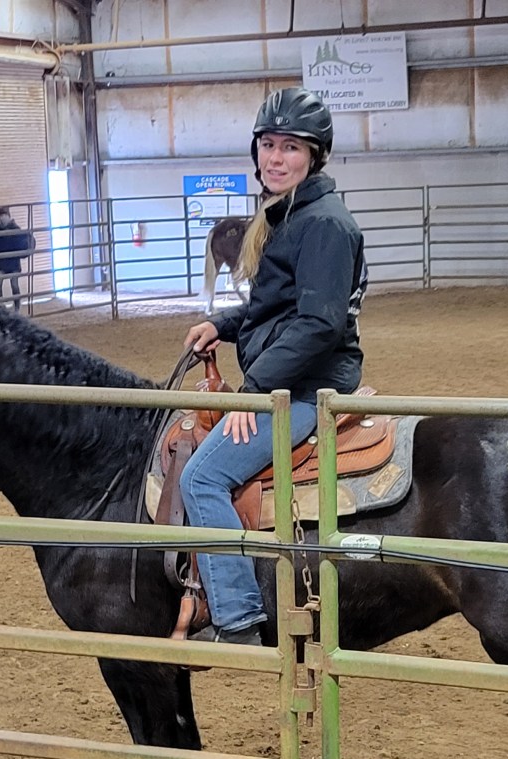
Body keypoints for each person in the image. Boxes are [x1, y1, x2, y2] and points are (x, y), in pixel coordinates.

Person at [179, 87, 367, 646]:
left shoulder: (324, 225)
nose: (274, 158)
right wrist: (224, 324)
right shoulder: (288, 216)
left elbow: (318, 325)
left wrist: (254, 390)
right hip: (289, 378)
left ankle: (237, 619)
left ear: (314, 156)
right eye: (267, 145)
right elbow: (276, 308)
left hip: (305, 387)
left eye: (289, 147)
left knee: (203, 476)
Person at [0, 206, 33, 308]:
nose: (3, 217)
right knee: (0, 285)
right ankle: (2, 307)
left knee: (13, 285)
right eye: (2, 215)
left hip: (9, 262)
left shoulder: (14, 229)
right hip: (4, 263)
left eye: (5, 215)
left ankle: (16, 307)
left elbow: (23, 244)